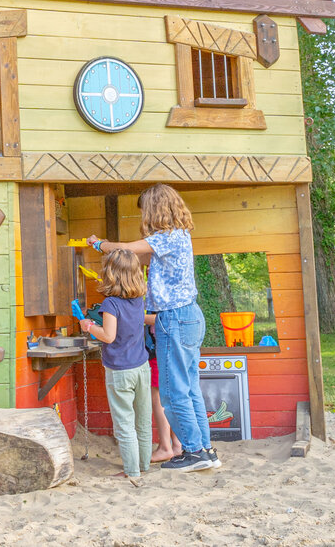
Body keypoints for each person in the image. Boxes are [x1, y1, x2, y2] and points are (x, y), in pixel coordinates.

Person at [87, 183, 220, 472]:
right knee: (190, 388)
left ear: (155, 210)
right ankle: (205, 449)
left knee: (173, 393)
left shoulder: (167, 238)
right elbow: (140, 256)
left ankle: (194, 451)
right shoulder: (179, 237)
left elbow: (124, 249)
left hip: (175, 317)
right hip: (187, 316)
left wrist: (100, 244)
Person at [80, 248, 152, 479]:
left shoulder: (111, 304)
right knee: (142, 420)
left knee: (124, 423)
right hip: (142, 367)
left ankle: (131, 471)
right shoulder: (138, 300)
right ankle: (144, 465)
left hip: (120, 370)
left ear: (111, 274)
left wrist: (90, 327)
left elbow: (109, 336)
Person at [145, 314, 182, 463]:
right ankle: (177, 445)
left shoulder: (162, 294)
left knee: (158, 397)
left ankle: (165, 447)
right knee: (171, 396)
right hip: (172, 345)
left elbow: (161, 318)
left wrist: (134, 314)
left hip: (161, 347)